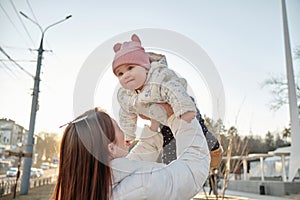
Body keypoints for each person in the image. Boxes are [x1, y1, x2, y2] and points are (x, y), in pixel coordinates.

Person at [112, 34, 222, 167]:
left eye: (130, 68)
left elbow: (175, 90)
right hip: (162, 119)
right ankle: (173, 170)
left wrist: (184, 111)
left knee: (199, 132)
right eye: (120, 73)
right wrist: (128, 135)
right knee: (169, 148)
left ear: (145, 67)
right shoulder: (125, 95)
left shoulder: (159, 77)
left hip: (182, 107)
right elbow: (126, 114)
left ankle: (215, 149)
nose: (126, 75)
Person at [53, 107, 210, 199]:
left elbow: (135, 162)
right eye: (118, 128)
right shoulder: (142, 184)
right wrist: (178, 116)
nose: (124, 133)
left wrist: (153, 126)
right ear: (111, 149)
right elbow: (193, 170)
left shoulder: (91, 186)